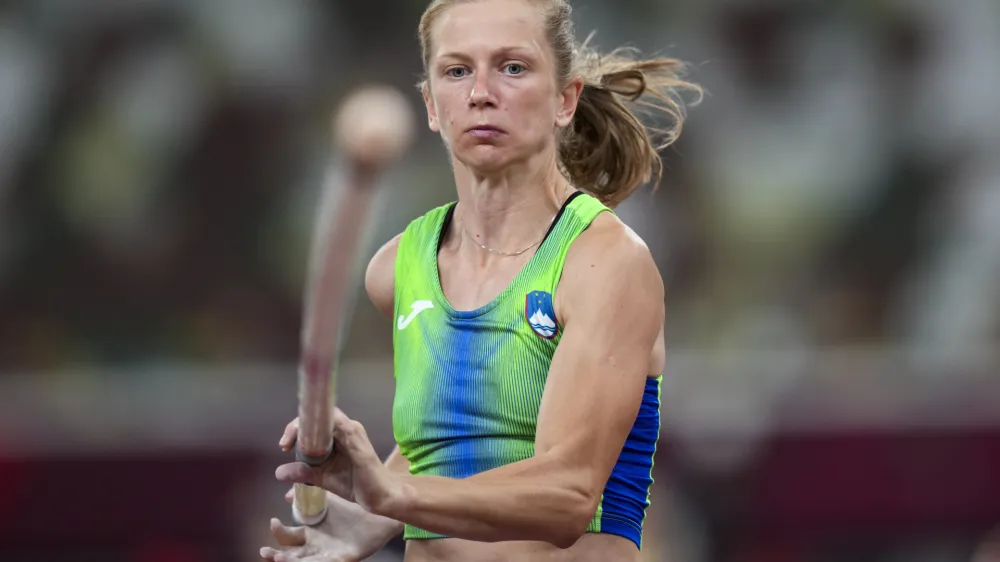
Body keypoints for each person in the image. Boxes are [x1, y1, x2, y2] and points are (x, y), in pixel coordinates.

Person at [260, 0, 700, 560]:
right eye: (456, 70)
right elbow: (460, 433)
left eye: (513, 67)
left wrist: (395, 495)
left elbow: (567, 496)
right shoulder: (397, 269)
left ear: (566, 99)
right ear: (431, 106)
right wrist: (370, 516)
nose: (481, 93)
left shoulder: (605, 262)